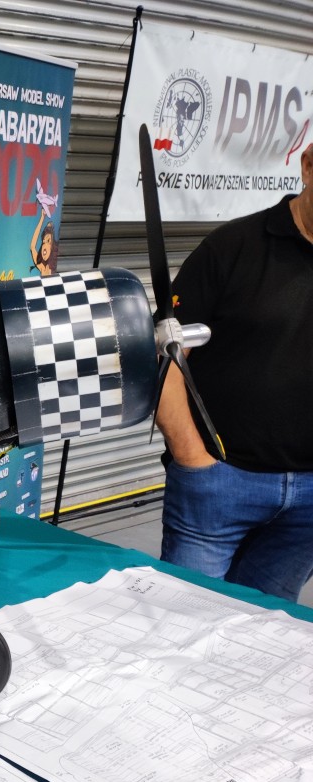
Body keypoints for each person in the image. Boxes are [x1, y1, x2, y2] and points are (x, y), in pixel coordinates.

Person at [156, 141, 313, 602]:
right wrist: (192, 458)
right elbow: (163, 358)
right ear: (308, 166)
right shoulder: (231, 249)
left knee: (262, 627)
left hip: (308, 509)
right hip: (218, 485)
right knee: (181, 618)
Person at [29, 209, 58, 276]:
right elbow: (32, 247)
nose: (44, 245)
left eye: (48, 241)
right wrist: (42, 218)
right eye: (43, 242)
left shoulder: (53, 269)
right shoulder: (42, 267)